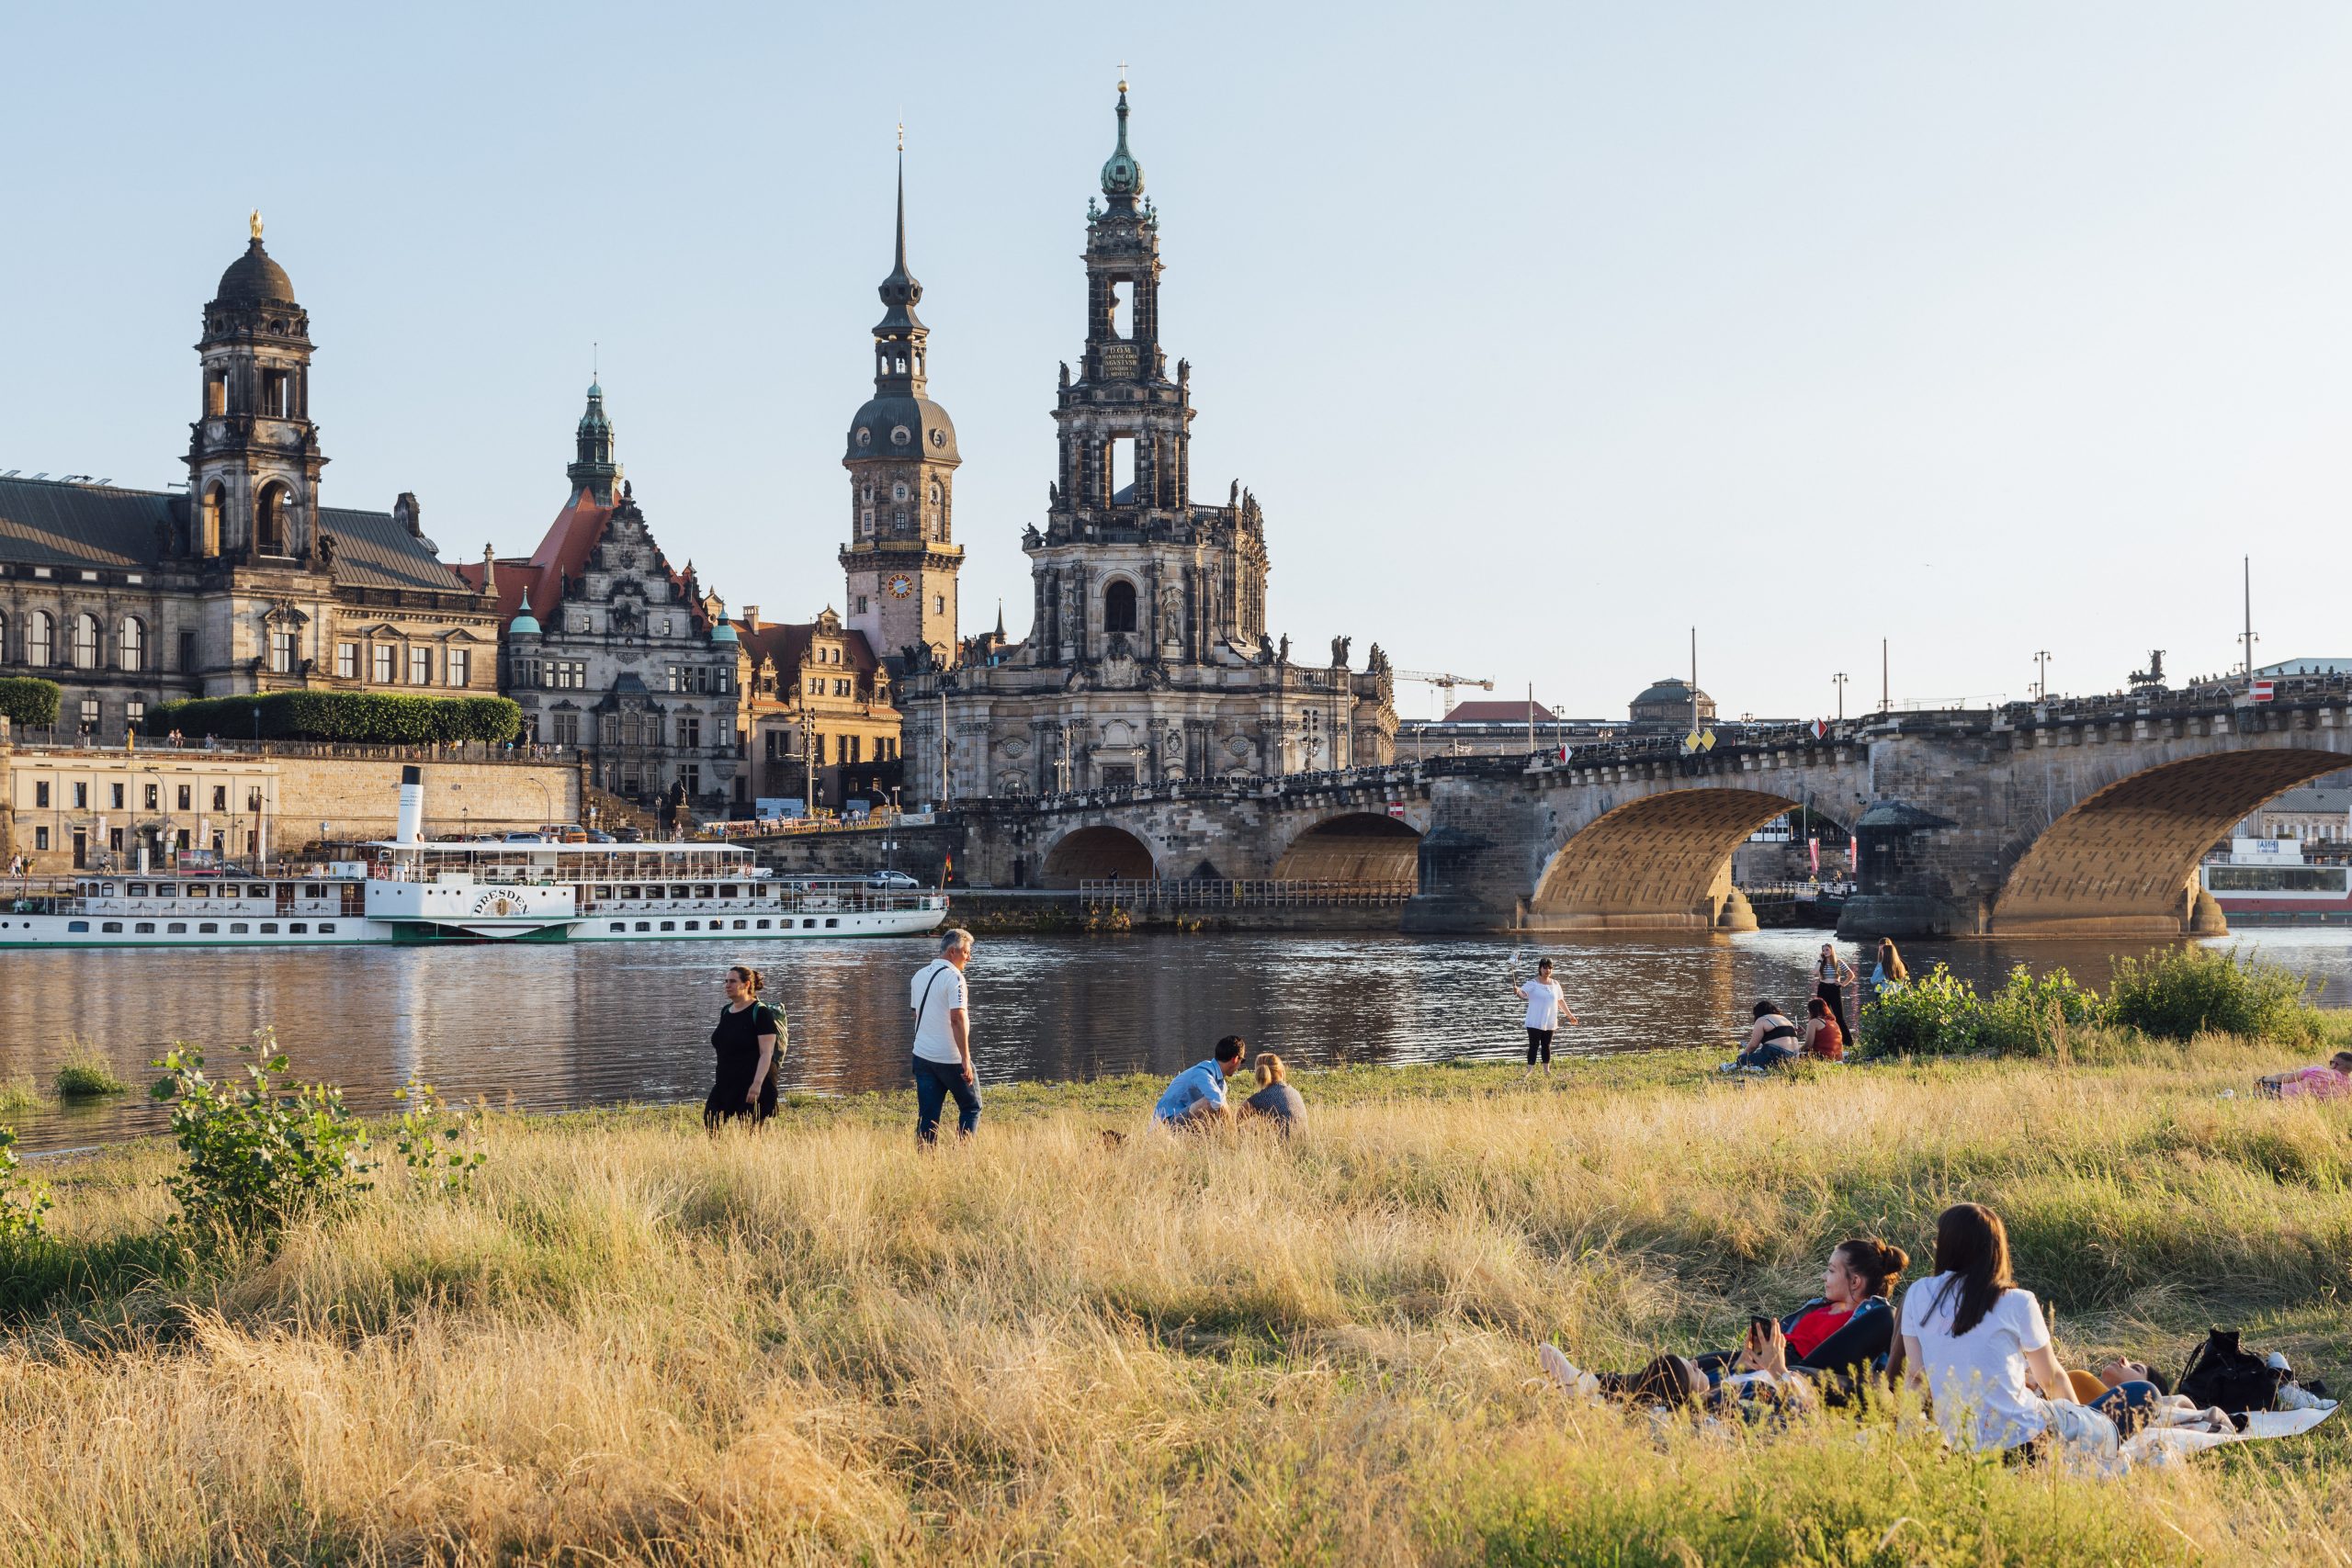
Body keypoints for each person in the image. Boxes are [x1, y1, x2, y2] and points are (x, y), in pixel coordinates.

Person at [1898, 1202, 2162, 1454]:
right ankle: (2087, 1447)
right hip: (2027, 1442)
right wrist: (2081, 1420)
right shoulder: (2016, 1301)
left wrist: (1907, 1438)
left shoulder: (1917, 1294)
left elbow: (1916, 1375)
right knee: (2145, 1394)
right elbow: (2051, 1379)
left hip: (1964, 1446)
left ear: (1947, 1246)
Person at [1544, 1236, 1910, 1405]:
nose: (1824, 1278)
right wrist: (1752, 1354)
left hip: (1794, 1375)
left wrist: (1777, 1366)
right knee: (1688, 1364)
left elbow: (1834, 1368)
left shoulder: (1872, 1316)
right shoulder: (1817, 1307)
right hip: (1766, 1365)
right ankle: (1589, 1384)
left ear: (1856, 1282)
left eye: (1832, 1271)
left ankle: (1598, 1391)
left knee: (1686, 1375)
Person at [909, 928, 978, 1144]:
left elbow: (917, 1014)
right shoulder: (955, 978)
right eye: (966, 952)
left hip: (922, 1057)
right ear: (952, 952)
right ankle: (962, 1158)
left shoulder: (918, 975)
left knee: (928, 1116)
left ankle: (926, 1165)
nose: (969, 957)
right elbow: (957, 1018)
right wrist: (965, 1059)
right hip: (950, 1059)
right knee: (971, 1106)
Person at [704, 964, 785, 1131]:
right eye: (726, 981)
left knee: (750, 1131)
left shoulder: (760, 1013)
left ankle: (750, 1157)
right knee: (711, 1120)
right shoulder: (726, 1011)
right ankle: (717, 1156)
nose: (727, 985)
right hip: (726, 1081)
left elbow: (766, 1052)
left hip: (753, 1081)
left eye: (732, 981)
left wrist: (756, 1085)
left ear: (747, 984)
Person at [1155, 1035, 1247, 1129]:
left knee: (1216, 1107)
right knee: (1211, 1102)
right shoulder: (1202, 1072)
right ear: (1235, 1059)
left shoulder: (1221, 1084)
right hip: (1165, 1124)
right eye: (1242, 1060)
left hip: (1182, 1122)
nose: (1240, 1066)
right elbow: (1217, 1102)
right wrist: (1232, 1130)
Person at [1510, 958, 1578, 1076]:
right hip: (1534, 1021)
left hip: (1550, 1021)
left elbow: (1560, 1001)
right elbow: (1523, 994)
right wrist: (1517, 992)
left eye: (1550, 968)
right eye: (1545, 967)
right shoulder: (1533, 983)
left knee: (1546, 1045)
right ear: (1540, 968)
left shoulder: (1556, 984)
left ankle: (1547, 1071)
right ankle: (1529, 1071)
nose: (1547, 970)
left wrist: (1570, 1015)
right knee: (1534, 1045)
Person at [1238, 1052, 1306, 1134]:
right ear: (1281, 1071)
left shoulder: (1259, 1098)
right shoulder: (1295, 1092)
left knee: (1245, 1129)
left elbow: (1235, 1121)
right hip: (1303, 1142)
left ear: (1258, 1073)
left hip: (1280, 1145)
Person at [1728, 998, 1803, 1069]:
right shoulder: (1784, 1019)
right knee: (1760, 1051)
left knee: (1741, 1059)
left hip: (1779, 1056)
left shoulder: (1762, 1019)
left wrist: (1742, 1055)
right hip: (1794, 1058)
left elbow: (1753, 1045)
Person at [2256, 1050, 2352, 1100]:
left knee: (2254, 1093)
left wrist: (2264, 1079)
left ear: (2335, 1064)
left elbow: (2289, 1077)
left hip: (2280, 1092)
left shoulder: (2318, 1069)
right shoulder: (2349, 1087)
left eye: (2331, 1062)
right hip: (2304, 1108)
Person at [1813, 942, 1857, 1041]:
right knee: (1821, 1015)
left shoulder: (1839, 962)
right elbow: (1814, 972)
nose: (1825, 952)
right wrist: (1820, 959)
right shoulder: (1821, 962)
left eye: (1827, 949)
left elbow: (1851, 975)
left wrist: (1843, 984)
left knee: (1839, 1016)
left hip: (1834, 989)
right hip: (1822, 989)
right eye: (1823, 950)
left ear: (1832, 950)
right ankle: (1822, 1040)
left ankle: (1848, 1042)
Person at [1798, 996, 1845, 1061]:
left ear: (1812, 1011)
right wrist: (1804, 1033)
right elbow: (1822, 1040)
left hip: (1823, 1057)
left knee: (1790, 1056)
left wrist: (1796, 1051)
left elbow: (1808, 1046)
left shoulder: (1814, 1022)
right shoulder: (1833, 1022)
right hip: (1837, 1058)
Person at [1867, 939, 1909, 1006]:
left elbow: (1873, 980)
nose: (1880, 950)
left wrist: (1881, 979)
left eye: (1882, 949)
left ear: (1885, 952)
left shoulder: (1882, 964)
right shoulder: (1901, 965)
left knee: (1881, 1014)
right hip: (1897, 994)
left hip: (1882, 993)